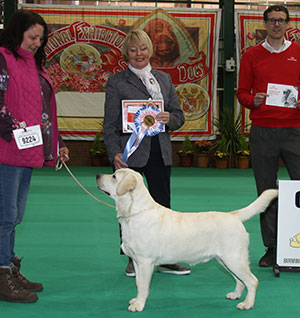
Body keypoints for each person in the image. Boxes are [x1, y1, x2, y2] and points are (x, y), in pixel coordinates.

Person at [103, 30, 190, 277]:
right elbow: (109, 123)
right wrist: (115, 153)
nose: (138, 54)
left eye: (142, 48)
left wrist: (169, 118)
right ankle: (132, 258)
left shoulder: (164, 79)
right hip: (129, 154)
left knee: (163, 207)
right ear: (126, 54)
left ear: (149, 50)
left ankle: (166, 257)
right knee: (128, 209)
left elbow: (179, 116)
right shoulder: (117, 82)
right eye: (133, 50)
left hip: (159, 152)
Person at [0, 9, 69, 303]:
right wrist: (16, 131)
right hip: (6, 152)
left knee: (14, 217)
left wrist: (58, 142)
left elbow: (43, 113)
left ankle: (10, 266)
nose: (37, 43)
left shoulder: (36, 67)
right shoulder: (2, 59)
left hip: (27, 153)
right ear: (17, 33)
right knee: (5, 217)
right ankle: (2, 273)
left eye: (41, 38)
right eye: (32, 37)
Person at [237, 5, 300, 267]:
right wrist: (254, 100)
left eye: (281, 20)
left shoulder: (298, 52)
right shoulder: (251, 55)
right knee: (266, 190)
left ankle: (296, 244)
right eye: (272, 20)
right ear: (264, 23)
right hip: (262, 131)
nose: (276, 24)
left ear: (288, 23)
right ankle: (272, 248)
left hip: (295, 131)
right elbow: (241, 92)